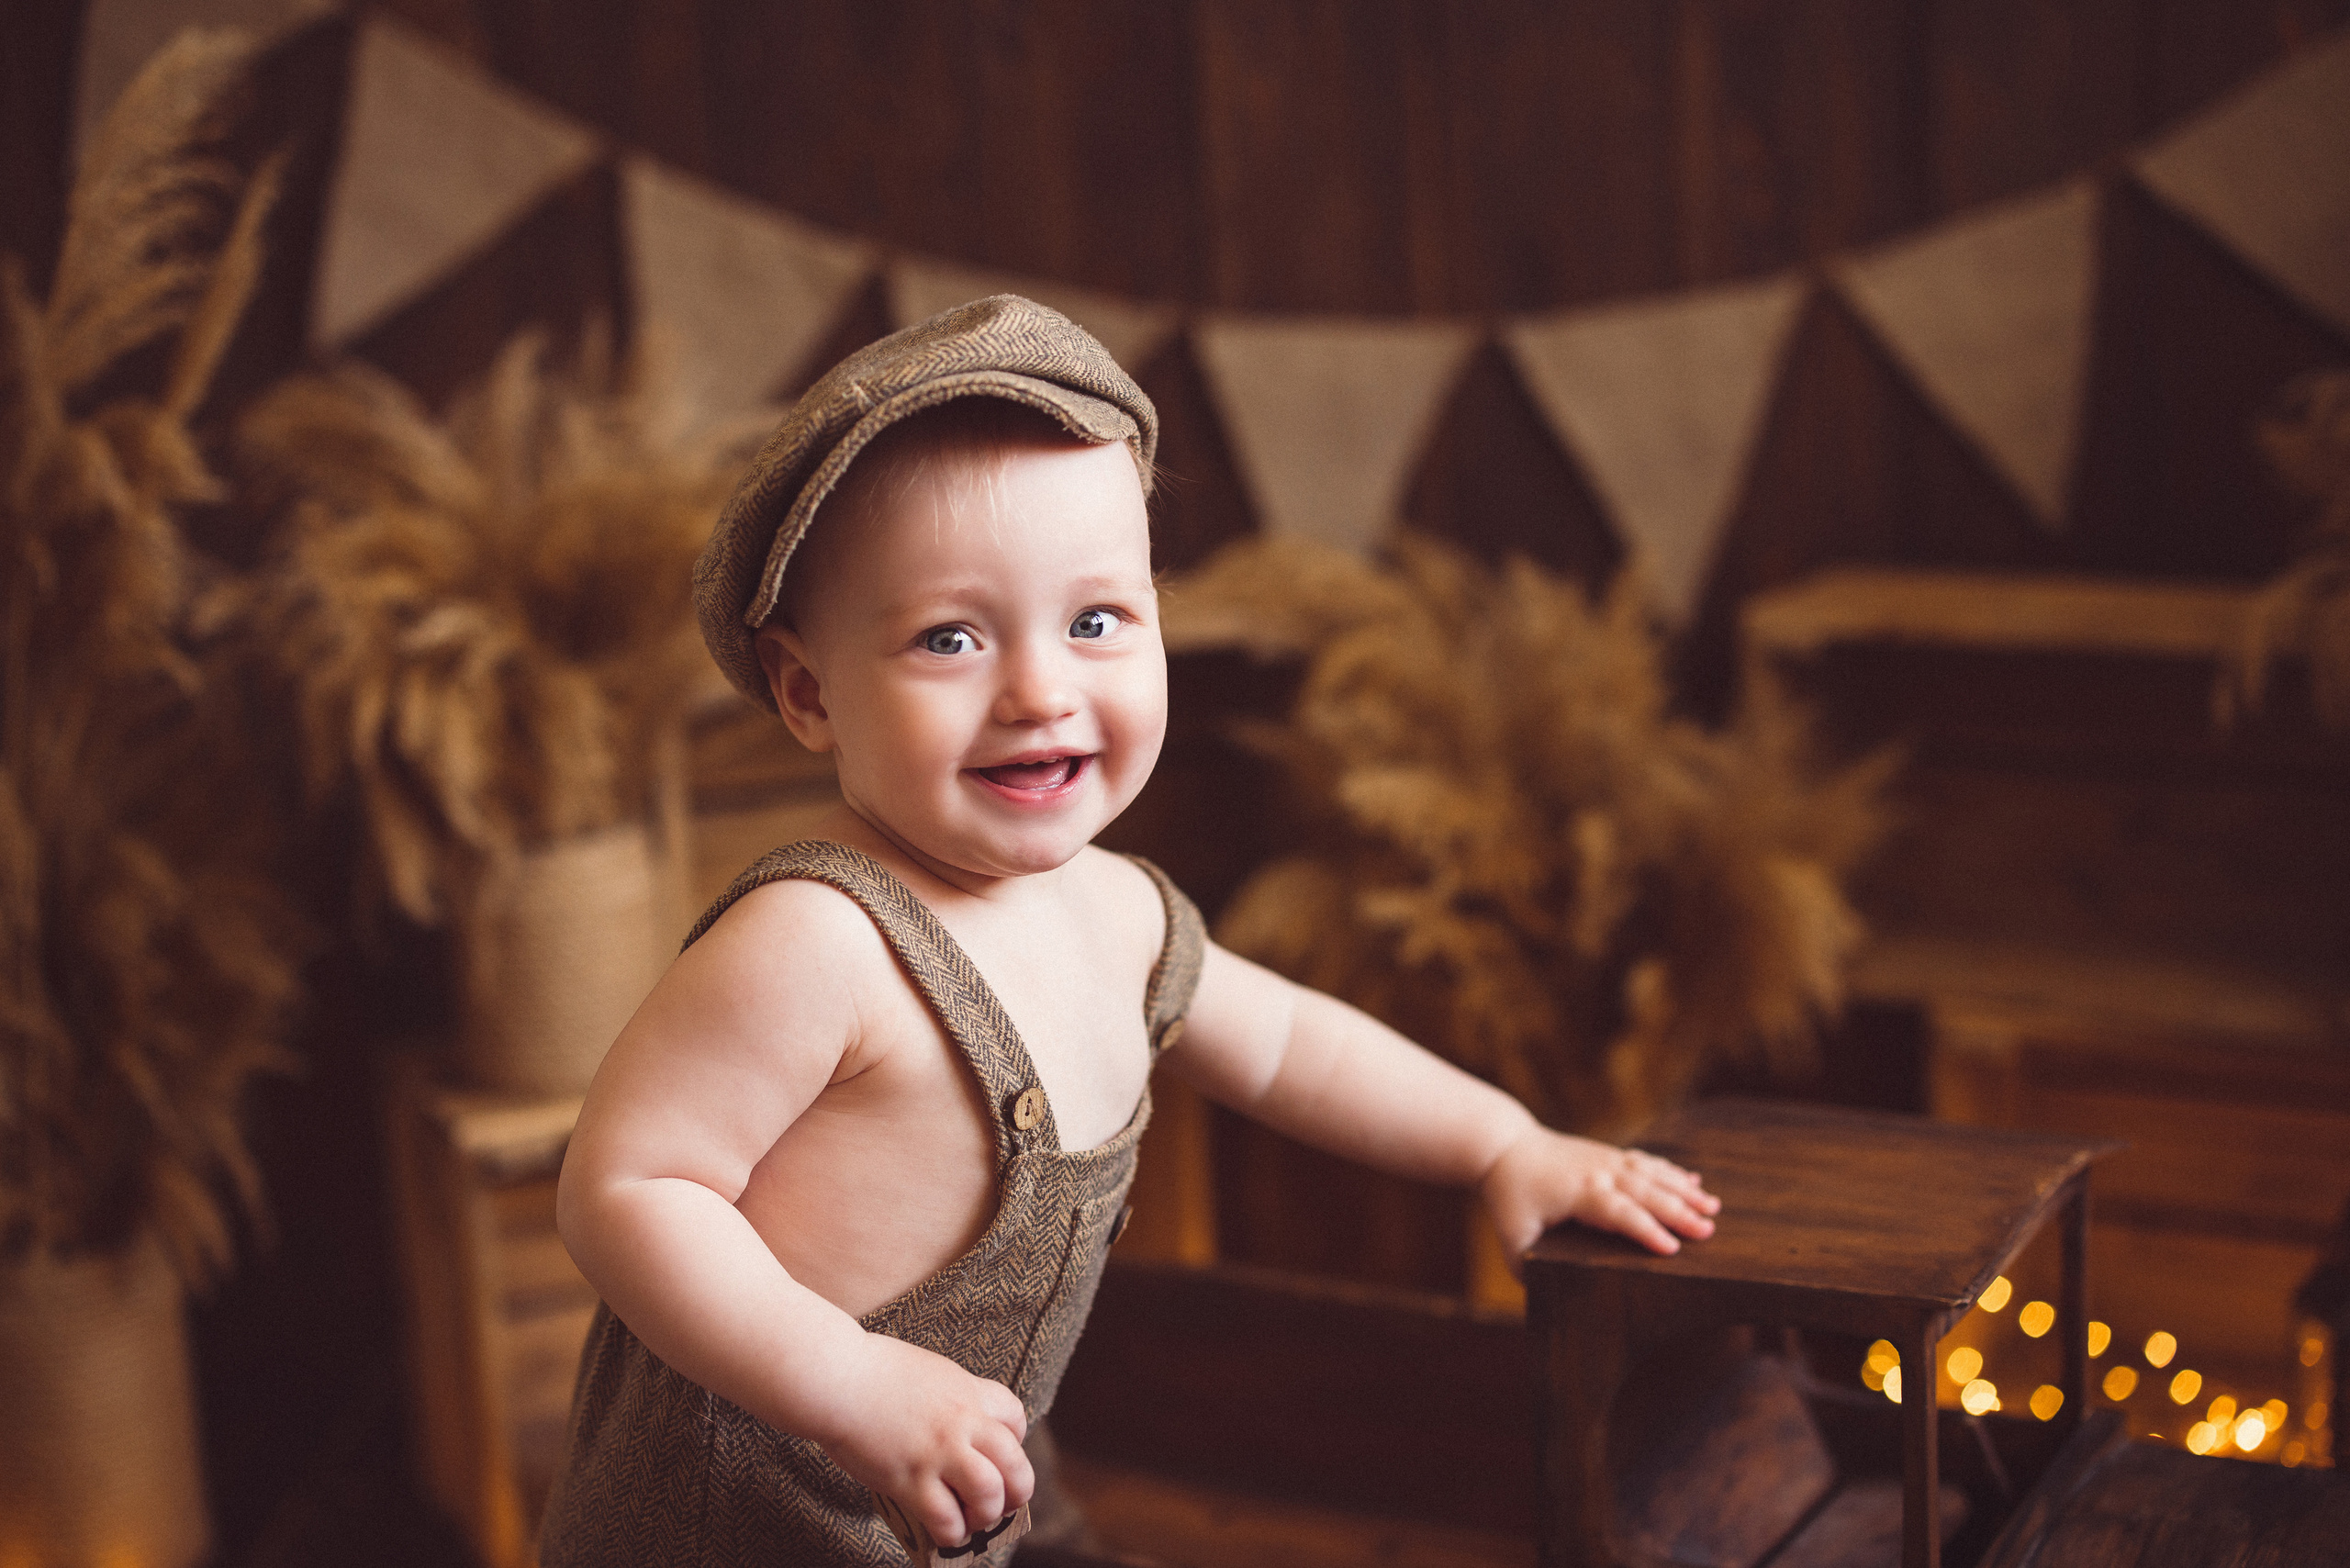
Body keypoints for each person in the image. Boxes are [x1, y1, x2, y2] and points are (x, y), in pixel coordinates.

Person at [539, 296, 1719, 1565]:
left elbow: (1293, 1051)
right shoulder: (818, 942)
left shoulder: (1120, 914)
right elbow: (627, 1189)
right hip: (740, 1531)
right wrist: (852, 1383)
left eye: (1095, 621)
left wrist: (1504, 1144)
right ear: (810, 692)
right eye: (950, 638)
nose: (1041, 690)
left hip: (951, 1497)